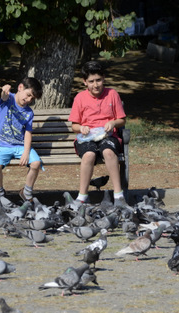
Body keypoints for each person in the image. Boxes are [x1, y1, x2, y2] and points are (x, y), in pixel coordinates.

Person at [69, 60, 128, 207]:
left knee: (108, 152)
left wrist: (113, 123)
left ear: (104, 79)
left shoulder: (112, 94)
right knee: (89, 155)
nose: (95, 85)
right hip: (86, 137)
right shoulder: (80, 98)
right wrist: (81, 128)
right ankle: (82, 196)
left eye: (99, 80)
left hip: (107, 136)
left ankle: (118, 195)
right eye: (91, 81)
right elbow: (74, 126)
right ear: (85, 82)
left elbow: (122, 120)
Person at [0, 77, 43, 202]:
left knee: (36, 163)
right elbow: (3, 97)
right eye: (28, 95)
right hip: (3, 145)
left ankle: (26, 191)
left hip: (20, 146)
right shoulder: (9, 99)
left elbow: (28, 133)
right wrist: (4, 90)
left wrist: (26, 151)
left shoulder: (29, 112)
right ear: (20, 87)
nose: (29, 100)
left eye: (32, 98)